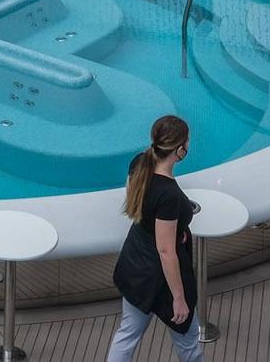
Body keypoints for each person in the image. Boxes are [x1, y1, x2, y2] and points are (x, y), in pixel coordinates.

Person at [106, 115, 203, 361]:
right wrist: (179, 299)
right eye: (187, 141)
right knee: (188, 342)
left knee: (127, 334)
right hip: (160, 277)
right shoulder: (168, 194)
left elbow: (143, 205)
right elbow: (166, 250)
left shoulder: (139, 162)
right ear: (179, 150)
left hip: (135, 265)